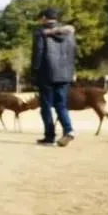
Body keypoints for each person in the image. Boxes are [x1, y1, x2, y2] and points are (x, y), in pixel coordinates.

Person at [31, 8, 77, 147]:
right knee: (61, 104)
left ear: (44, 17)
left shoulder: (41, 32)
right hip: (65, 73)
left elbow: (38, 54)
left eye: (40, 18)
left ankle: (49, 136)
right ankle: (69, 130)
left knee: (45, 106)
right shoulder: (68, 33)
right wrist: (71, 71)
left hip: (47, 73)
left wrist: (34, 71)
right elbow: (73, 51)